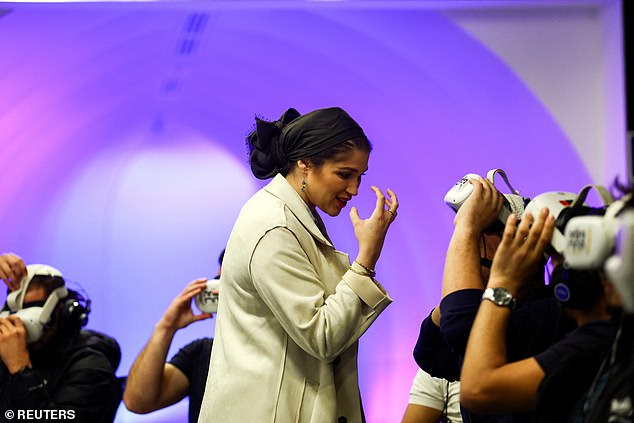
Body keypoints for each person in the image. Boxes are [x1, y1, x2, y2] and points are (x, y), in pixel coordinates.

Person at [197, 107, 398, 423]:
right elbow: (323, 336)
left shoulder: (292, 215)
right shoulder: (275, 227)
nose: (355, 190)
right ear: (305, 163)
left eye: (360, 177)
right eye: (345, 174)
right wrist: (366, 259)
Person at [413, 176, 575, 423]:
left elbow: (461, 329)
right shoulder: (491, 309)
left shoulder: (549, 312)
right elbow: (429, 354)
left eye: (483, 230)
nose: (468, 245)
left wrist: (466, 231)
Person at [459, 208, 614, 422]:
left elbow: (477, 389)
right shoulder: (607, 334)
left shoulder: (597, 340)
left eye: (557, 258)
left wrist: (502, 282)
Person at [0, 253, 122, 422]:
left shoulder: (90, 365)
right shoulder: (6, 351)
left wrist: (21, 370)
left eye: (30, 314)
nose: (18, 327)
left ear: (64, 313)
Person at [124, 250, 224, 423]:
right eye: (219, 283)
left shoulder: (284, 350)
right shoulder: (202, 353)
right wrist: (166, 327)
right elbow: (138, 401)